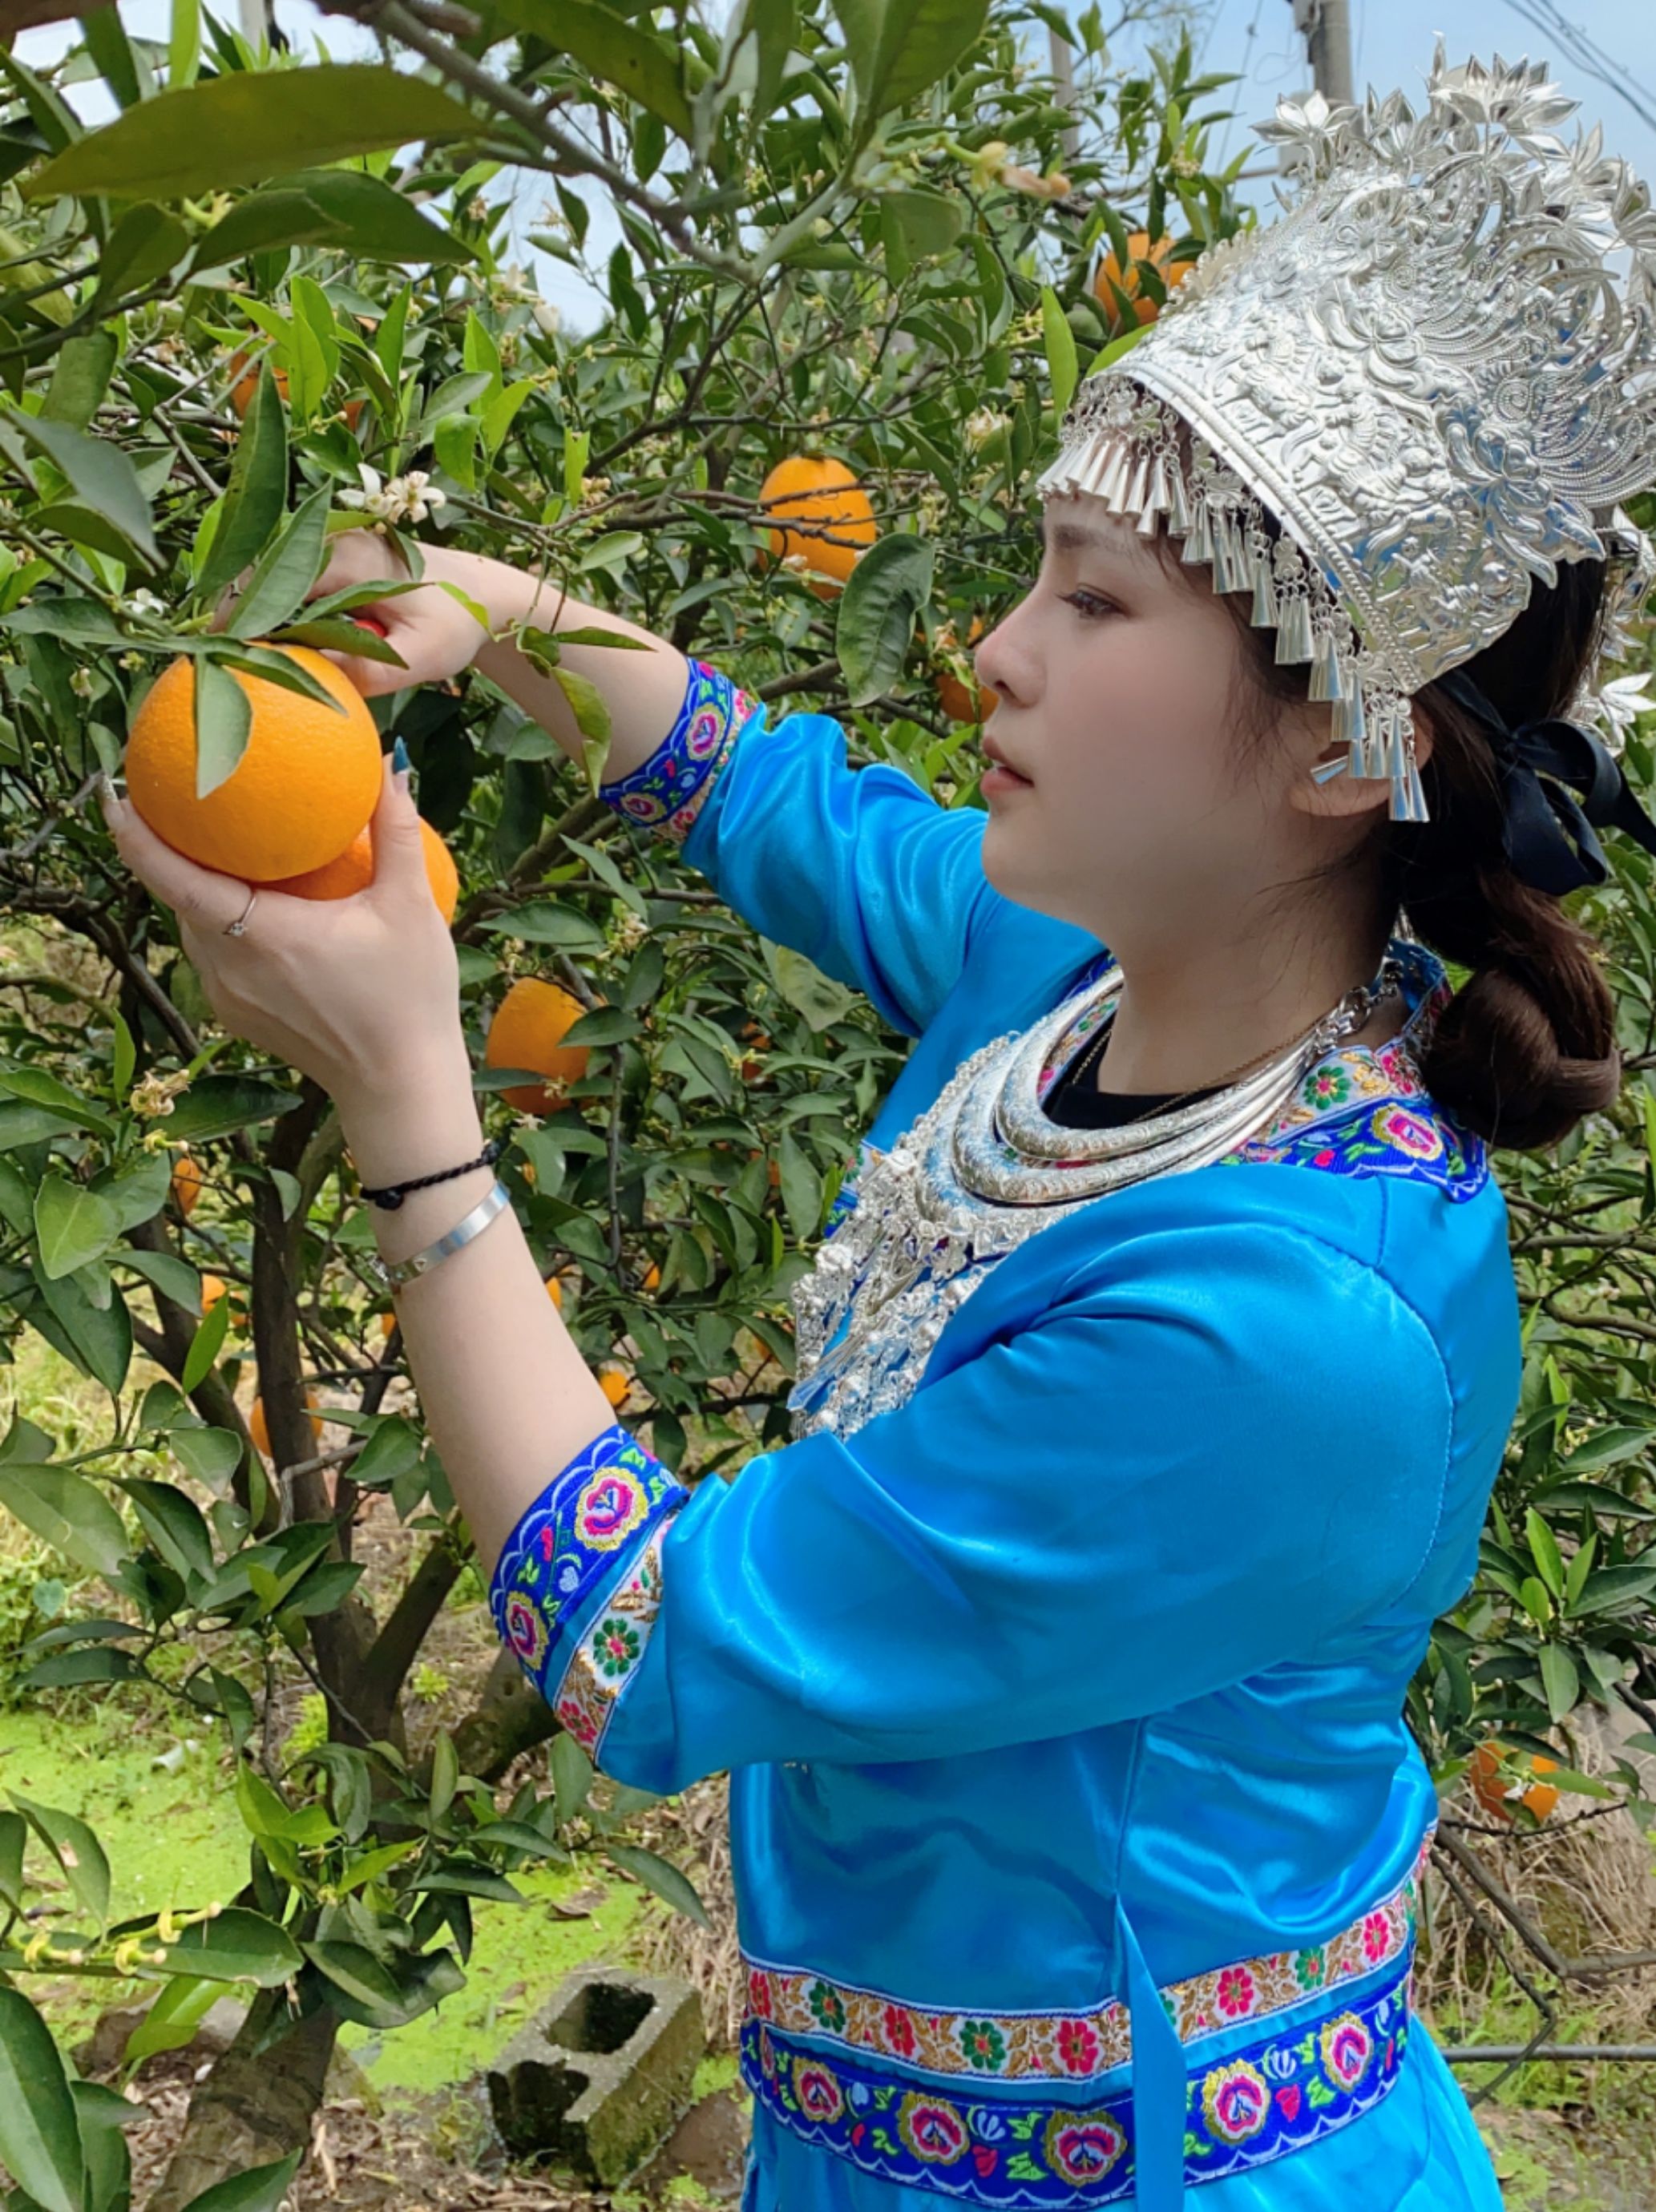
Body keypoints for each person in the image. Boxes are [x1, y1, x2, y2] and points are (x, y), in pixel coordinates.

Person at [103, 45, 1656, 2212]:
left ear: (1334, 755)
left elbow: (651, 1649)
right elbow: (761, 789)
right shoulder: (1081, 973)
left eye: (1090, 600)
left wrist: (410, 1107)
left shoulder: (1290, 1330)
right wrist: (500, 616)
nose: (990, 654)